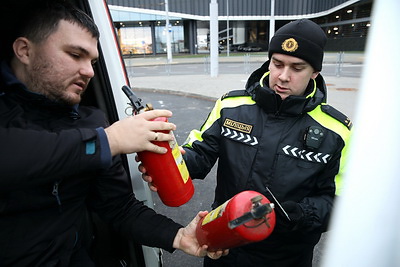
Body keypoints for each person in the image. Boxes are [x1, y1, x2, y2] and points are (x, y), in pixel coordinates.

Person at [0, 1, 227, 266]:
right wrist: (110, 140)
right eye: (75, 55)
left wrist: (178, 236)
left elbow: (118, 207)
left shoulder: (90, 121)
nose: (89, 71)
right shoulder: (100, 135)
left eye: (92, 61)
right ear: (24, 50)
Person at [142, 19, 352, 267]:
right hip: (223, 247)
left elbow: (342, 201)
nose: (283, 77)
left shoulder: (337, 130)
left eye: (297, 68)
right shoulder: (231, 106)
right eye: (277, 64)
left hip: (286, 256)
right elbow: (198, 155)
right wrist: (167, 160)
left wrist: (298, 214)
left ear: (315, 72)